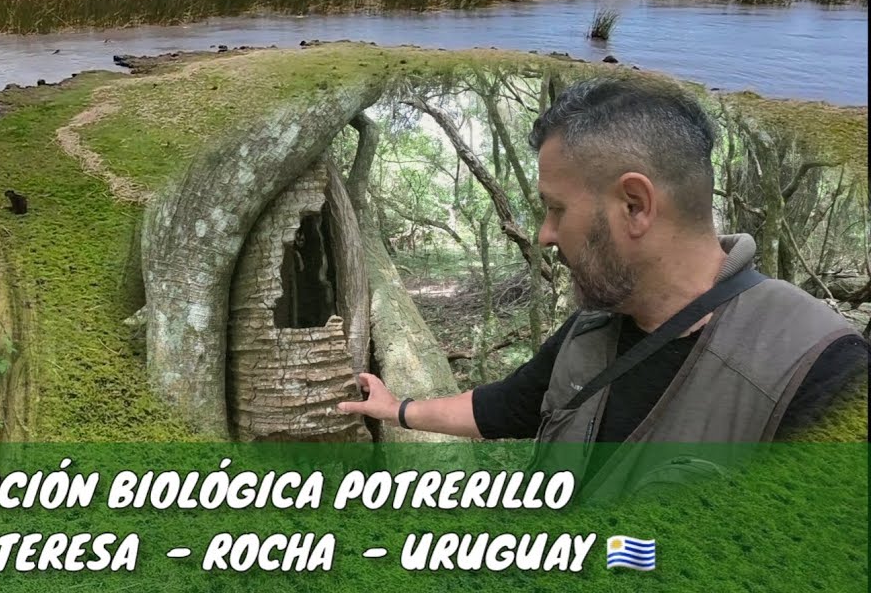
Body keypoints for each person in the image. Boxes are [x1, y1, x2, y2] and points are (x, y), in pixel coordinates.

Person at [339, 77, 869, 496]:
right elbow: (507, 405)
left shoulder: (822, 369)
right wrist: (397, 409)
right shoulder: (594, 327)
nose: (544, 234)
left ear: (635, 205)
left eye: (556, 209)